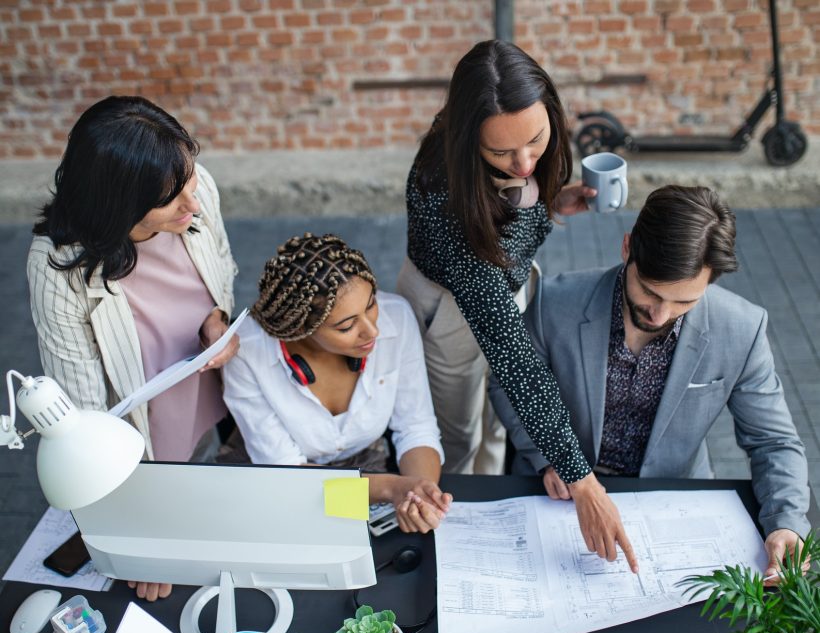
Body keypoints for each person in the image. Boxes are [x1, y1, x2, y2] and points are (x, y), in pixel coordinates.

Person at [490, 185, 811, 580]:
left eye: (684, 303)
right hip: (558, 497)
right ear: (627, 249)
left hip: (672, 505)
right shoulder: (554, 302)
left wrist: (786, 521)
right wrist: (549, 459)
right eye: (651, 292)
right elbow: (507, 386)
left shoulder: (742, 330)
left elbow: (773, 442)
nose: (661, 314)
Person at [397, 39, 635, 569]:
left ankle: (489, 504)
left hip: (506, 288)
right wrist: (583, 482)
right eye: (502, 153)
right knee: (454, 434)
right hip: (449, 310)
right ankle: (449, 537)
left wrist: (550, 204)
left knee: (499, 425)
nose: (525, 162)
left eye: (535, 141)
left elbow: (514, 208)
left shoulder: (521, 157)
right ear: (466, 139)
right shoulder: (446, 198)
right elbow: (520, 364)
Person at [27, 95, 238, 601]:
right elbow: (85, 416)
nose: (193, 203)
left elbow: (223, 263)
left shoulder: (193, 183)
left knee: (201, 451)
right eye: (172, 199)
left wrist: (218, 321)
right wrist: (141, 533)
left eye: (190, 180)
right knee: (166, 468)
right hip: (137, 413)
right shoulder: (56, 266)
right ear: (119, 203)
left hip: (199, 372)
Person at [223, 233, 452, 533]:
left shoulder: (398, 317)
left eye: (371, 305)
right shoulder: (246, 351)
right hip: (278, 476)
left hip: (367, 471)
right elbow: (288, 477)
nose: (372, 331)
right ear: (301, 328)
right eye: (346, 326)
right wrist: (390, 490)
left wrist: (419, 496)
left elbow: (415, 426)